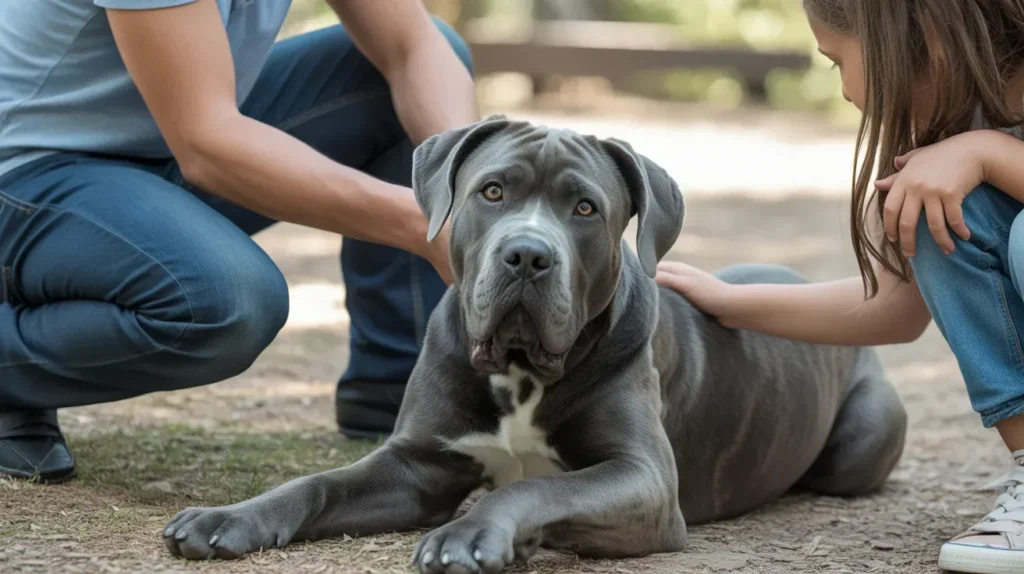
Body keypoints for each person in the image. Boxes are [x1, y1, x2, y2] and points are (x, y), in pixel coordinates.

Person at [0, 0, 477, 484]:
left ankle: (401, 386)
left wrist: (469, 191)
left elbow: (412, 46)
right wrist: (429, 226)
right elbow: (205, 144)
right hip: (27, 168)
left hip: (158, 139)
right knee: (226, 300)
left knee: (426, 65)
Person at [656, 1, 1024, 572]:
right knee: (947, 213)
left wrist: (988, 153)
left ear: (917, 36)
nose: (846, 89)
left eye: (835, 60)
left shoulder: (973, 139)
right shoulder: (953, 120)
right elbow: (893, 310)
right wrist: (727, 302)